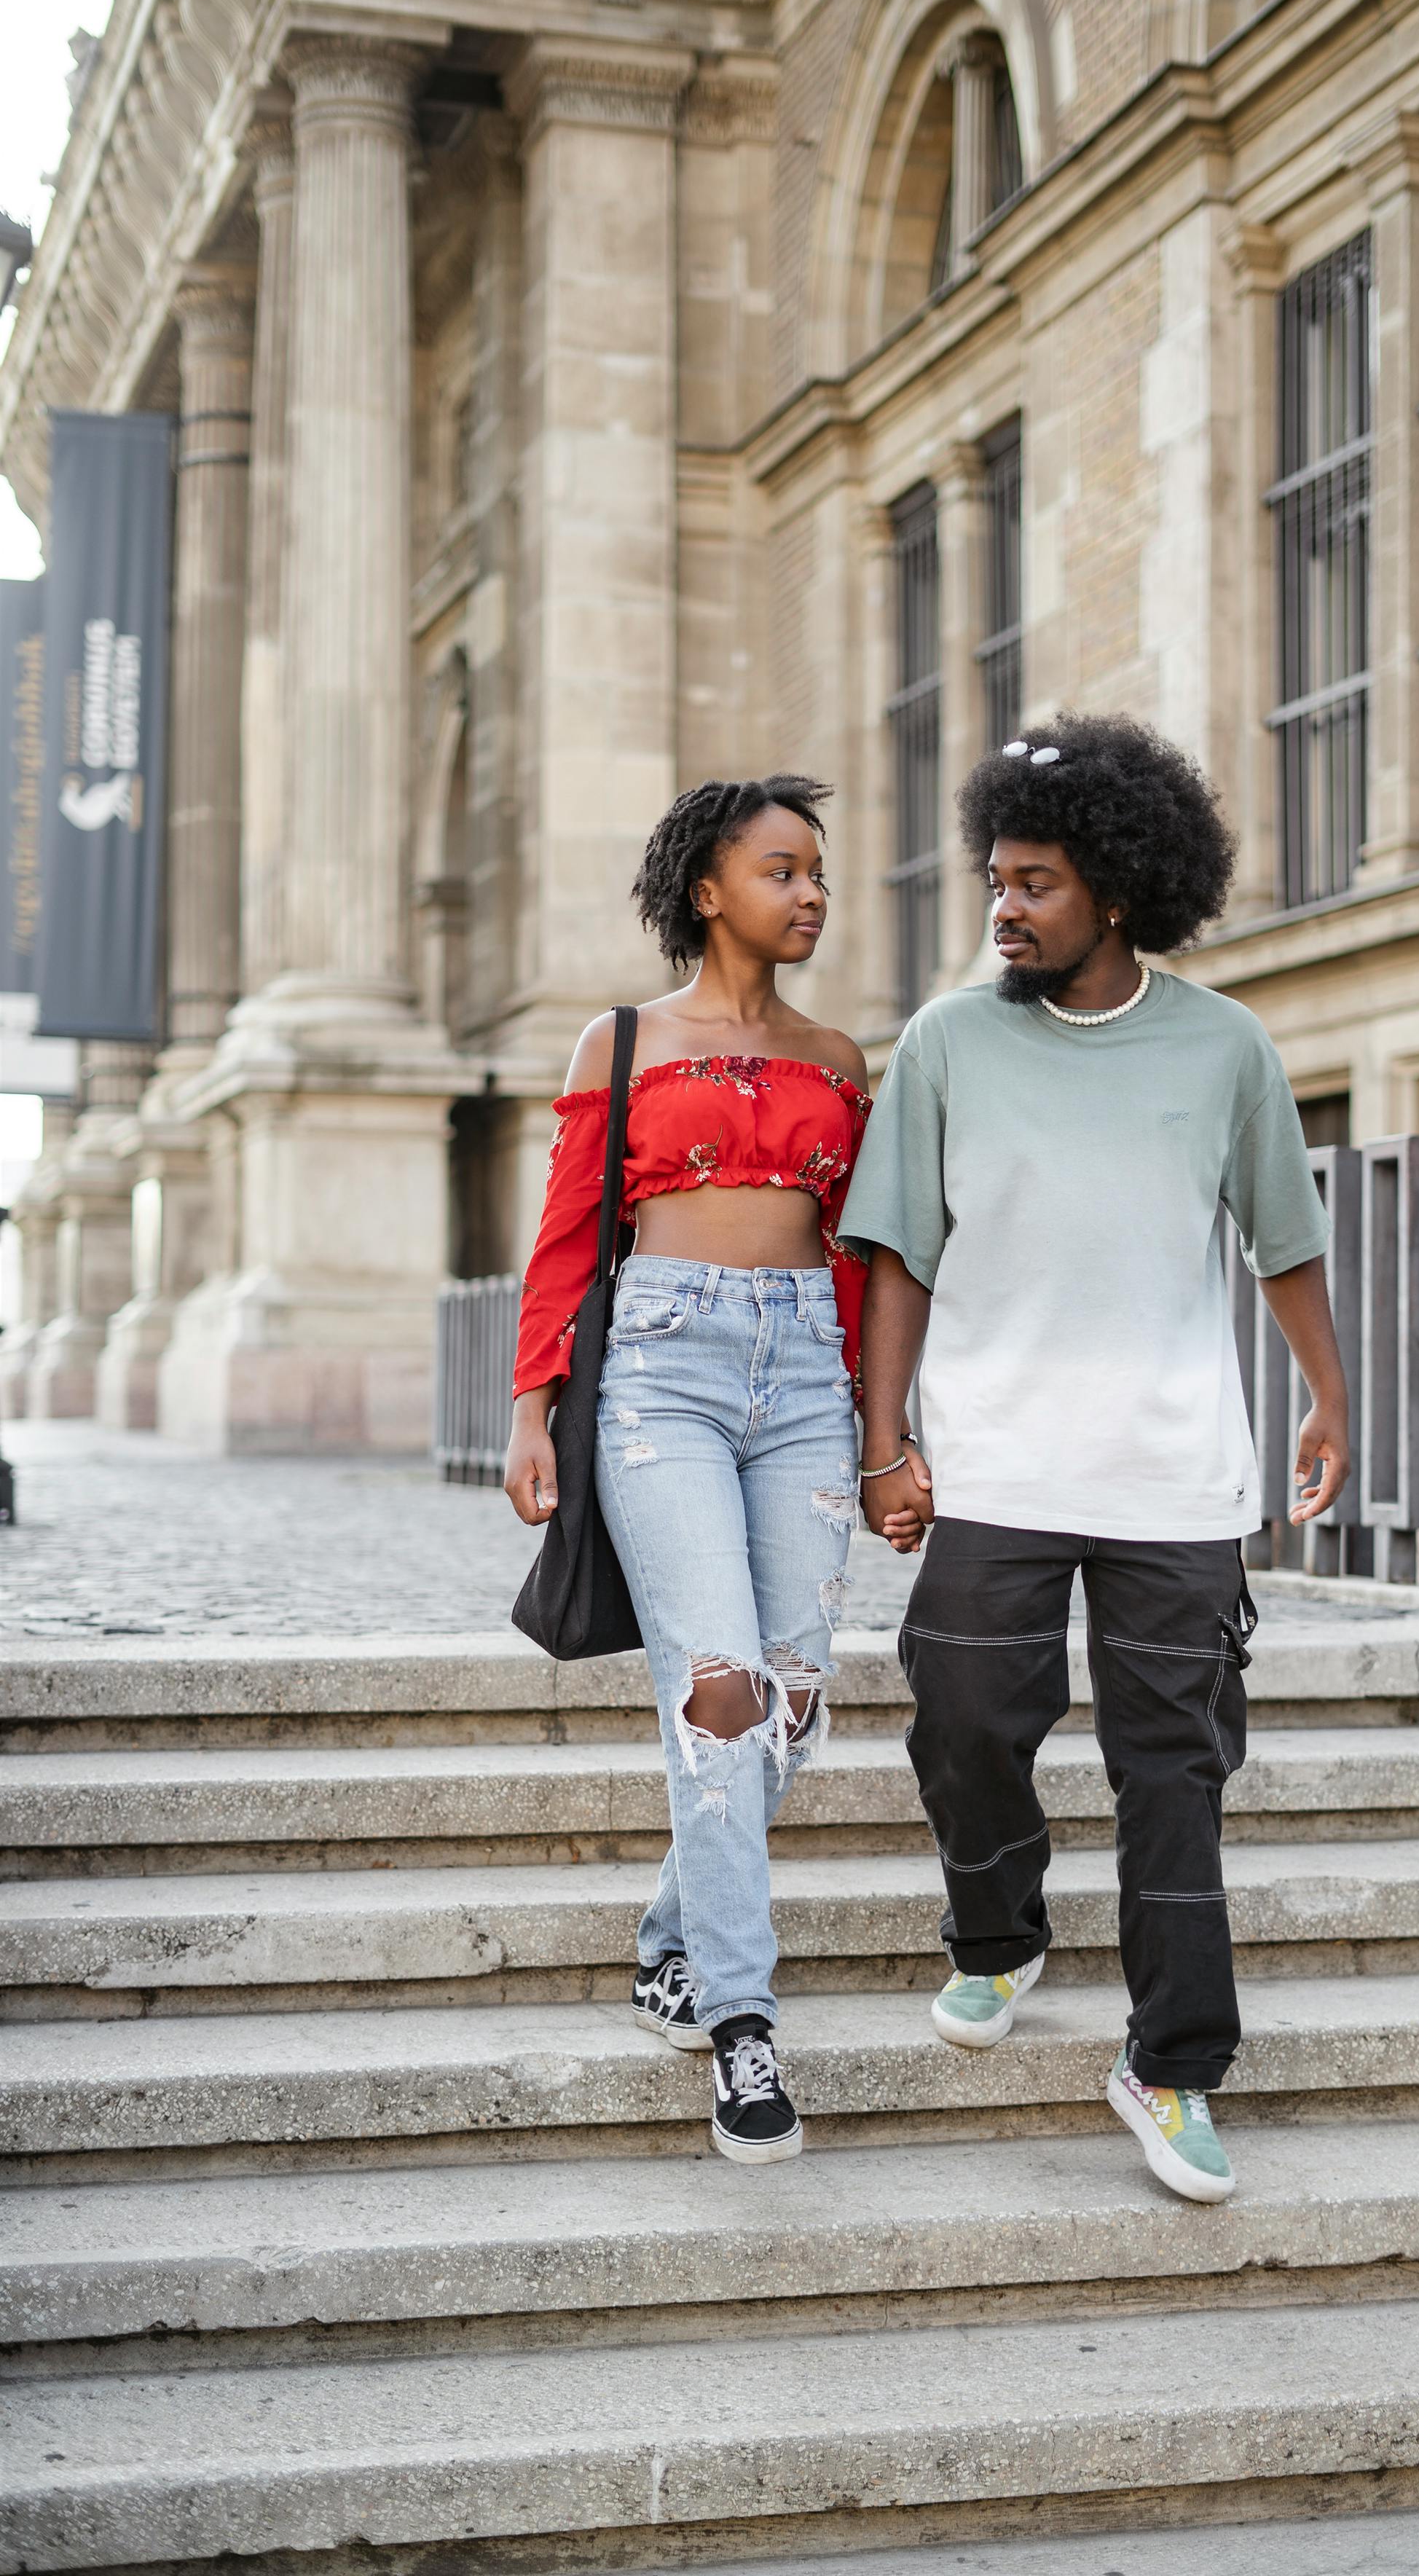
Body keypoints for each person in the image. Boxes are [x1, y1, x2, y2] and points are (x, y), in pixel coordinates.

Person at [839, 712, 1348, 2204]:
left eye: (1037, 882)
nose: (1004, 907)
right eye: (996, 879)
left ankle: (1175, 2062)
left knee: (1173, 1772)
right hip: (995, 1465)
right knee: (965, 1722)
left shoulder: (1226, 1044)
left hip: (1174, 1474)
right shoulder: (944, 1043)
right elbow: (899, 1258)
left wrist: (1327, 1396)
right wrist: (889, 1440)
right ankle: (999, 1935)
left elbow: (1286, 1241)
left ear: (1118, 890)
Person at [505, 776, 870, 2166]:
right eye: (783, 871)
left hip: (808, 1378)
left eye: (820, 875)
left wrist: (888, 1430)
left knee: (793, 1696)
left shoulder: (839, 1056)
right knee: (717, 1690)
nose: (812, 894)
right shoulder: (621, 1043)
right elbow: (566, 1235)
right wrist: (536, 1409)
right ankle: (740, 2024)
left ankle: (669, 1941)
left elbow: (861, 1257)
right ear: (708, 891)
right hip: (662, 1369)